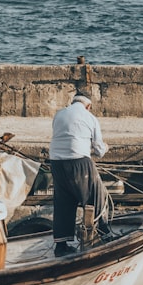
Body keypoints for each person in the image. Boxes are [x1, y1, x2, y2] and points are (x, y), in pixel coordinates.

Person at [49, 92, 111, 256]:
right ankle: (104, 233)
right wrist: (106, 147)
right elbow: (99, 151)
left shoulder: (59, 114)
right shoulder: (90, 117)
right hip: (79, 162)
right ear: (88, 106)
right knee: (94, 196)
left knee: (63, 202)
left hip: (56, 162)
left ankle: (61, 246)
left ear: (73, 101)